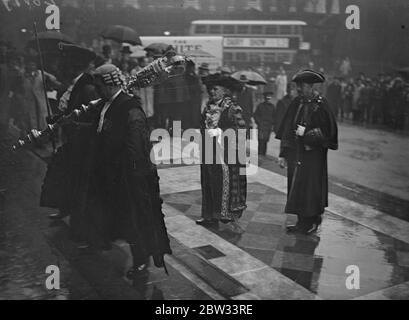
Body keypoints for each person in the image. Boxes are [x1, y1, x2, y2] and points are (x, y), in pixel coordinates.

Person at [91, 64, 172, 277]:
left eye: (98, 86)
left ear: (108, 85)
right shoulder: (108, 104)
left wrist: (132, 175)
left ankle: (141, 261)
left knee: (135, 218)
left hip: (129, 176)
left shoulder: (129, 108)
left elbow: (136, 147)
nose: (96, 90)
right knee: (123, 217)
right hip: (113, 173)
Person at [39, 44, 100, 244]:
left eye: (65, 62)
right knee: (66, 177)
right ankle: (66, 210)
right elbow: (69, 110)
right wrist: (57, 118)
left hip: (84, 146)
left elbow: (95, 121)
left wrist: (72, 124)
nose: (61, 66)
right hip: (72, 141)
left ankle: (84, 232)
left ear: (75, 66)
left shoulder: (88, 88)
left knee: (82, 188)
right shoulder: (74, 85)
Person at [276, 70, 338, 235]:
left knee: (311, 189)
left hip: (313, 156)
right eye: (297, 86)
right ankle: (301, 222)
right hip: (296, 154)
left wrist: (309, 134)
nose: (298, 89)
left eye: (301, 86)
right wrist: (283, 153)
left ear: (310, 86)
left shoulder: (321, 104)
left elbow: (329, 132)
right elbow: (288, 128)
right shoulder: (297, 102)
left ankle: (312, 221)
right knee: (297, 187)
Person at [196, 73, 247, 233]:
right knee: (209, 182)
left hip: (227, 154)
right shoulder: (208, 107)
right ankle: (209, 216)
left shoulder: (233, 108)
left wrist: (220, 132)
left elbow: (241, 129)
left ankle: (232, 219)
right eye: (210, 89)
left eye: (215, 89)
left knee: (228, 185)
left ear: (225, 90)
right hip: (209, 151)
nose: (212, 92)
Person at [254, 91, 275, 156]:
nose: (268, 99)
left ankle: (263, 155)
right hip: (261, 126)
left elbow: (274, 117)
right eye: (267, 97)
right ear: (264, 98)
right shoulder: (260, 106)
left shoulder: (272, 107)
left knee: (265, 141)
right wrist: (259, 122)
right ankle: (260, 155)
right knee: (261, 141)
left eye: (269, 97)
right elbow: (255, 115)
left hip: (268, 127)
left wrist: (272, 124)